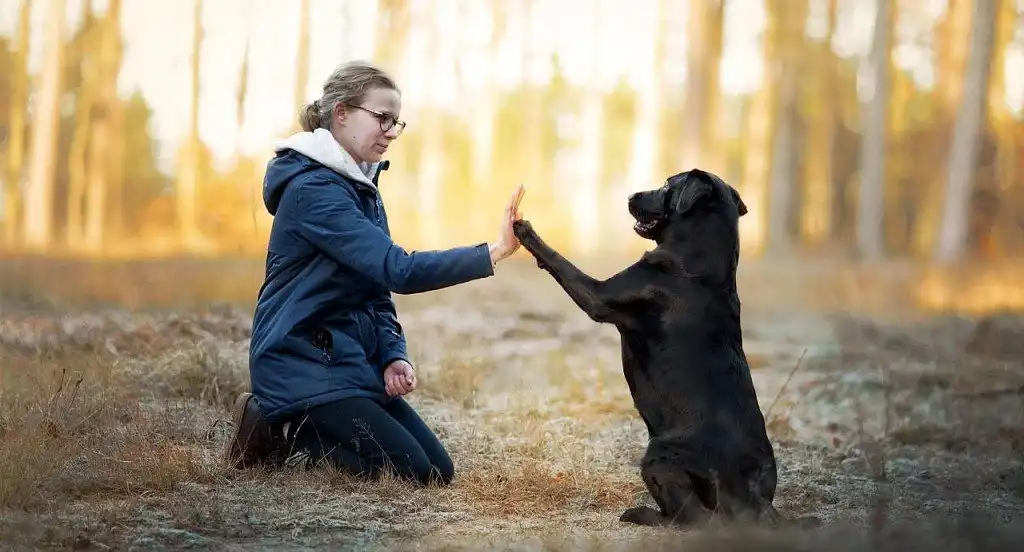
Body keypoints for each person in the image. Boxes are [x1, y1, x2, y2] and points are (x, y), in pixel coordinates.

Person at [222, 60, 526, 486]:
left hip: (346, 362)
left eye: (396, 122)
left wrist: (391, 355)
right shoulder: (315, 190)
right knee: (413, 472)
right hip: (299, 362)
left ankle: (302, 432)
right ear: (341, 113)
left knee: (438, 470)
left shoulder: (360, 186)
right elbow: (398, 270)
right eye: (381, 118)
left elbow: (376, 286)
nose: (389, 131)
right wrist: (491, 253)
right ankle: (280, 436)